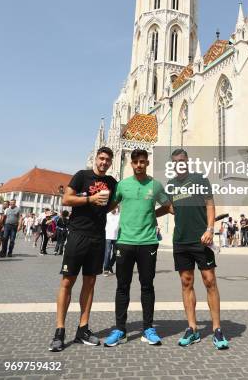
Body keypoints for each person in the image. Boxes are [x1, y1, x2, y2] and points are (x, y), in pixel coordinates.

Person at [157, 148, 229, 350]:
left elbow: (210, 205)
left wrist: (210, 229)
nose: (179, 163)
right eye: (175, 161)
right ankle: (192, 328)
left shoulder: (200, 179)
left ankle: (216, 329)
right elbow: (169, 208)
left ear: (187, 161)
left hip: (202, 239)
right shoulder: (171, 185)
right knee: (186, 282)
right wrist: (150, 214)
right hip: (180, 240)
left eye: (182, 160)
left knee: (210, 281)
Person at [49, 146, 117, 352]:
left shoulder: (112, 182)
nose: (104, 162)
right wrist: (90, 199)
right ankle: (59, 331)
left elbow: (113, 204)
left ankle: (83, 329)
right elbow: (67, 199)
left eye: (107, 160)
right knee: (67, 281)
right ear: (96, 159)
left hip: (97, 237)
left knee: (90, 283)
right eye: (102, 158)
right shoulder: (82, 176)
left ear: (111, 162)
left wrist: (107, 206)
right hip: (78, 234)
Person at [103, 149, 169, 347]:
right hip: (125, 241)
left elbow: (167, 206)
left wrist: (152, 216)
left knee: (147, 286)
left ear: (147, 163)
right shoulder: (122, 185)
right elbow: (108, 206)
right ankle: (120, 329)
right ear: (131, 164)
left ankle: (148, 328)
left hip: (148, 242)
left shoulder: (155, 185)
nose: (139, 165)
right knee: (122, 286)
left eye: (143, 161)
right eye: (136, 162)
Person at [103, 208, 119, 275]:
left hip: (117, 237)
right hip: (108, 237)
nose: (114, 209)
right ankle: (106, 269)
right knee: (108, 253)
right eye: (113, 207)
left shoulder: (119, 215)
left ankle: (110, 265)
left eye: (115, 207)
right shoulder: (107, 215)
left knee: (116, 254)